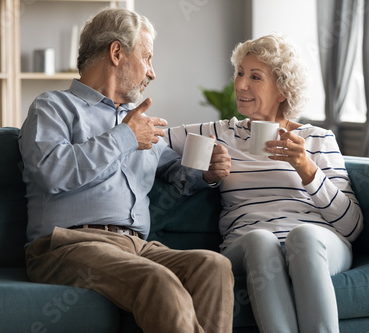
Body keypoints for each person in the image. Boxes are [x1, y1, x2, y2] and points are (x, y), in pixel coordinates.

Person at [18, 8, 234, 333]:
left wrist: (206, 173)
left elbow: (173, 171)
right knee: (157, 282)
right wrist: (124, 137)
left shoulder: (137, 121)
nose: (152, 73)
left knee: (213, 265)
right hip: (68, 245)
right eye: (147, 58)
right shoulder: (52, 107)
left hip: (136, 246)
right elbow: (51, 171)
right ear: (117, 53)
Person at [165, 34, 364, 333]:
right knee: (260, 239)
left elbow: (351, 227)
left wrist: (306, 168)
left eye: (255, 76)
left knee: (304, 237)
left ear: (282, 90)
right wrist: (201, 173)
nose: (240, 85)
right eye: (240, 73)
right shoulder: (219, 133)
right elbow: (151, 140)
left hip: (318, 242)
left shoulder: (318, 139)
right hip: (246, 245)